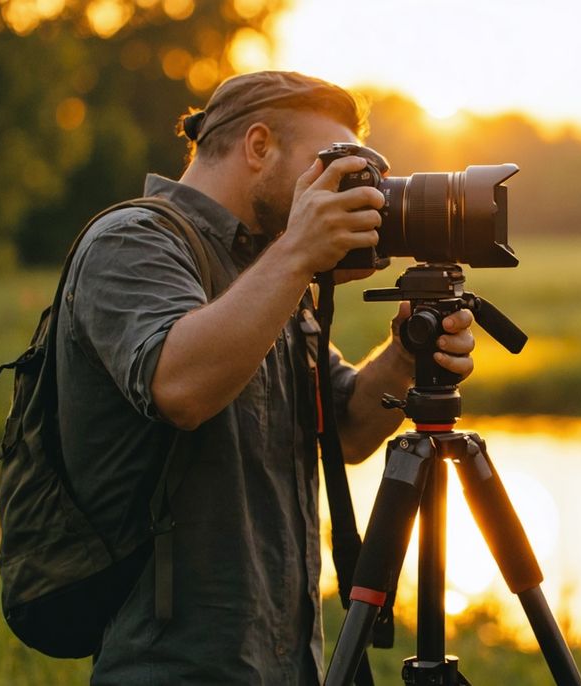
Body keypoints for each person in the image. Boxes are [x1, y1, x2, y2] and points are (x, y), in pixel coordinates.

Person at [55, 70, 476, 685]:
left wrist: (405, 354)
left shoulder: (267, 266)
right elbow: (180, 388)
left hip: (285, 659)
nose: (347, 192)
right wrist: (297, 254)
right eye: (332, 166)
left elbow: (349, 430)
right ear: (258, 146)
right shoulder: (133, 241)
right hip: (173, 665)